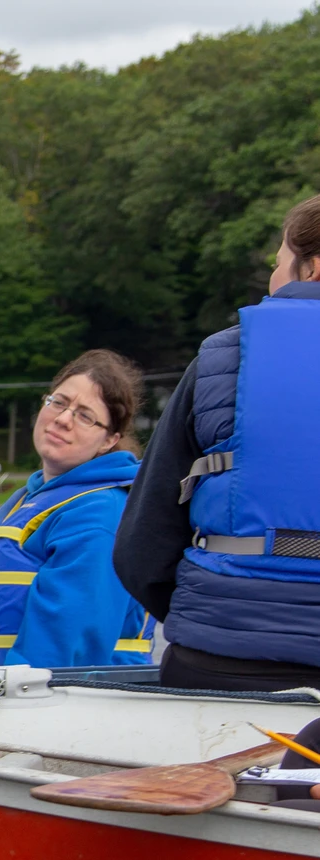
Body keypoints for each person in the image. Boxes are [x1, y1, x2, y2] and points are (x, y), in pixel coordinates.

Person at [114, 194, 320, 693]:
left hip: (218, 658)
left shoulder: (223, 358)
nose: (272, 278)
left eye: (278, 263)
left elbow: (141, 547)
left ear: (310, 269)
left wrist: (204, 617)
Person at [0, 350, 156, 667]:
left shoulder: (99, 512)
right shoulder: (29, 499)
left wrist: (12, 701)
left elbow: (65, 648)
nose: (62, 419)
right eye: (59, 402)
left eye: (85, 415)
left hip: (48, 702)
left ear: (109, 440)